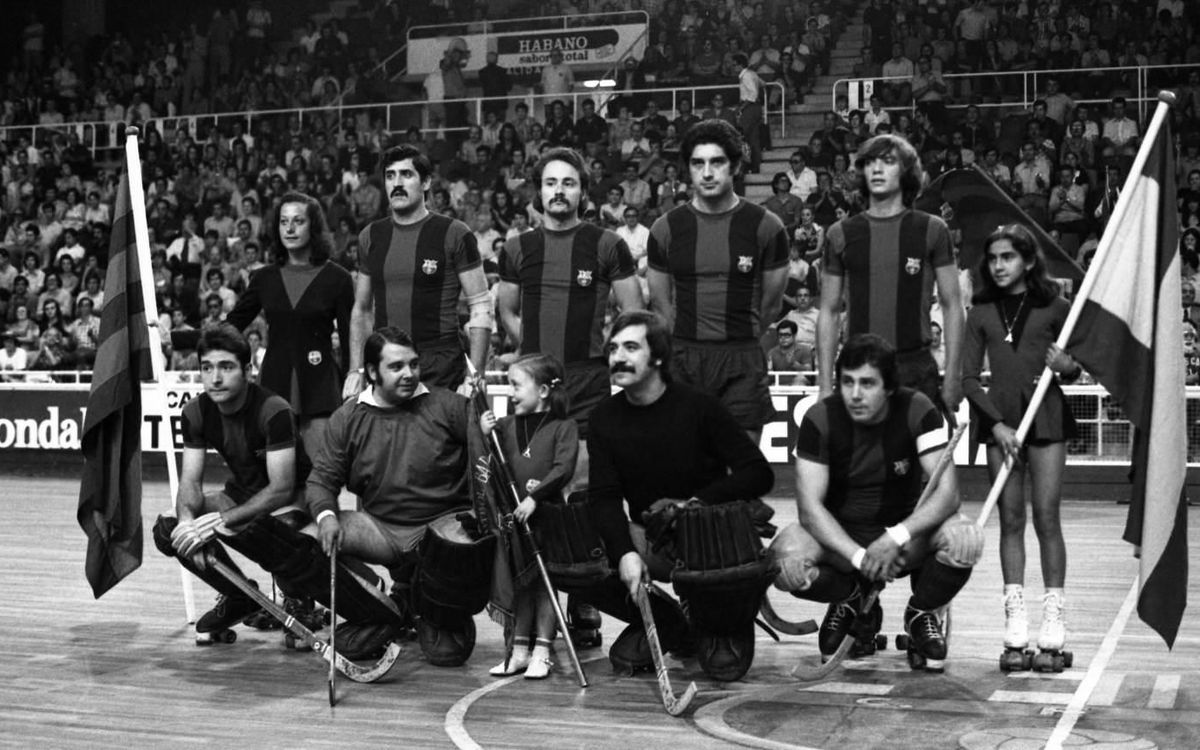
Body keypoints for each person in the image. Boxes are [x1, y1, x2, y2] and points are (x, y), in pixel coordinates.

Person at [578, 310, 775, 681]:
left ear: (657, 358)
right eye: (613, 348)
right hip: (652, 538)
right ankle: (669, 622)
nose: (618, 357)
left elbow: (758, 473)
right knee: (579, 539)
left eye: (631, 347)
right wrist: (624, 554)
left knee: (723, 669)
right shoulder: (604, 418)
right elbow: (604, 497)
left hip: (710, 545)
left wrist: (695, 505)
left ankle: (720, 620)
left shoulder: (700, 408)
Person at [771, 333, 984, 670]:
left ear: (888, 387)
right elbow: (809, 511)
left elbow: (948, 495)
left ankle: (921, 613)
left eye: (867, 383)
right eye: (847, 382)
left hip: (903, 538)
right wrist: (860, 558)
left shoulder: (918, 408)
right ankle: (849, 599)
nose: (855, 394)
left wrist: (895, 537)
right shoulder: (819, 417)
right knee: (785, 564)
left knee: (965, 539)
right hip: (844, 540)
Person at [309, 326, 494, 667]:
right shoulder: (348, 417)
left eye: (413, 364)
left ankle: (422, 604)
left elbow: (490, 458)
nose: (409, 374)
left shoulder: (449, 405)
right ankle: (380, 607)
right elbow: (321, 480)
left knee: (448, 654)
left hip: (444, 531)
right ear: (371, 372)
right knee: (309, 540)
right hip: (381, 529)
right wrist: (327, 516)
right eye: (396, 367)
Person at [151, 325, 324, 644]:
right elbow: (190, 482)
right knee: (169, 528)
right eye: (207, 367)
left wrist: (220, 521)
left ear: (247, 370)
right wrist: (190, 527)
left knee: (281, 525)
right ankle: (239, 595)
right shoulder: (195, 412)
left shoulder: (274, 410)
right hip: (242, 493)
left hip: (295, 500)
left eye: (226, 367)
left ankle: (298, 602)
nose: (215, 378)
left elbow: (282, 487)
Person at [962, 225, 1080, 670]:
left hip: (1046, 419)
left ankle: (1053, 616)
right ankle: (1015, 616)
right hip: (1001, 427)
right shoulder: (982, 310)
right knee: (1010, 520)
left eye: (1008, 257)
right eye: (993, 258)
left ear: (1028, 261)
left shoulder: (1057, 306)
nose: (999, 265)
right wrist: (995, 426)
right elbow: (968, 380)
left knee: (1047, 517)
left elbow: (1073, 368)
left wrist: (1067, 366)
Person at [647, 119, 789, 440]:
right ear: (688, 169)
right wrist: (687, 344)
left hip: (742, 359)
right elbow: (660, 304)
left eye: (717, 162)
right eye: (698, 163)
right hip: (683, 358)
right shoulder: (665, 229)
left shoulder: (766, 226)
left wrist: (739, 336)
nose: (707, 173)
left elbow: (771, 305)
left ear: (736, 166)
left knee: (740, 471)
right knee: (684, 468)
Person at [817, 134, 965, 413]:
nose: (876, 168)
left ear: (906, 172)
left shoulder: (932, 229)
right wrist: (824, 385)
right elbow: (829, 310)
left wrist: (954, 376)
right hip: (858, 368)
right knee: (860, 456)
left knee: (925, 456)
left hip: (915, 366)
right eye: (870, 162)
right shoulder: (840, 233)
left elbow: (953, 305)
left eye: (887, 161)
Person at [345, 145, 492, 396]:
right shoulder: (370, 236)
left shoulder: (455, 233)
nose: (397, 183)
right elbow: (362, 309)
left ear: (425, 182)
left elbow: (480, 306)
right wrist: (356, 370)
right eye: (390, 176)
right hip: (386, 361)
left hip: (440, 364)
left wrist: (475, 374)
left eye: (406, 174)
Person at [480, 354, 579, 679]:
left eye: (516, 385)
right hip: (514, 520)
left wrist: (536, 497)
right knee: (521, 584)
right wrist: (484, 434)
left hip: (546, 516)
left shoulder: (564, 426)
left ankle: (543, 651)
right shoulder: (504, 427)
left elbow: (563, 468)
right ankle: (519, 650)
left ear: (544, 391)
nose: (510, 393)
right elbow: (491, 467)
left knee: (544, 585)